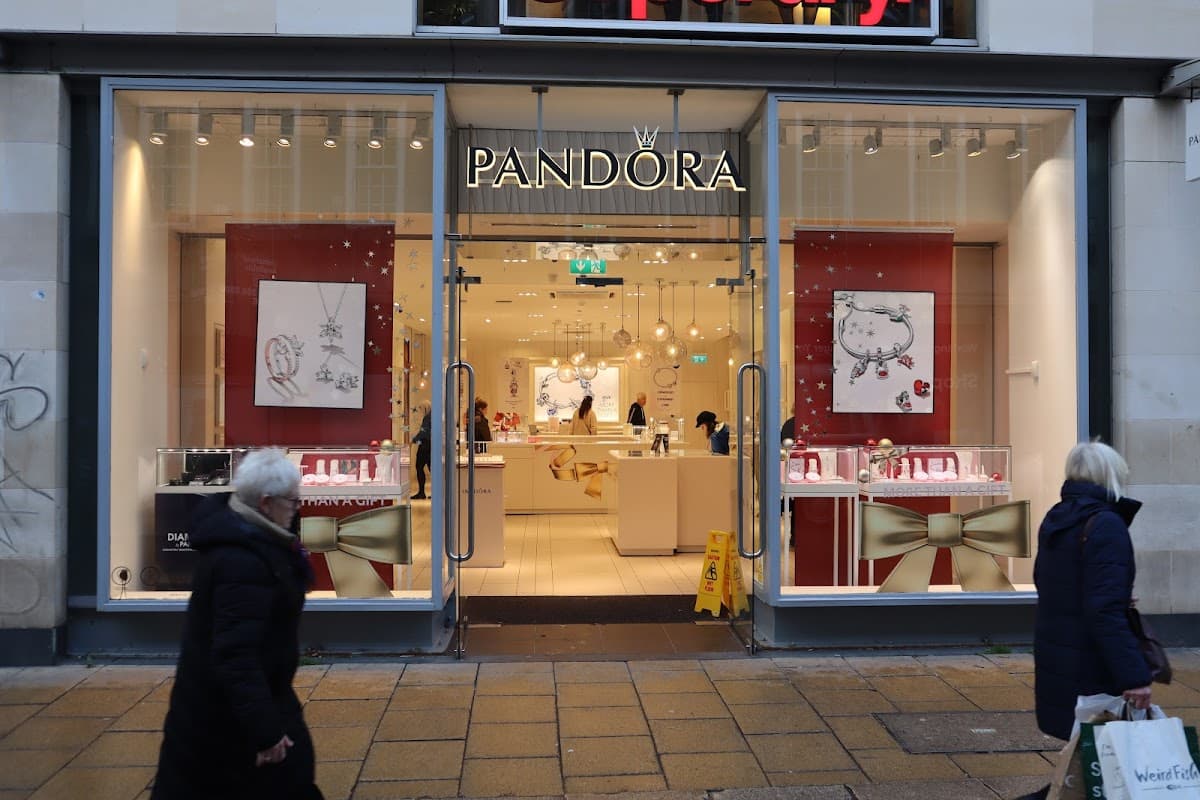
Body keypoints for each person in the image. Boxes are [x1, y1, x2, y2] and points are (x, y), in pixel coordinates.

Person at [152, 448, 323, 800]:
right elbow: (235, 654)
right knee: (284, 778)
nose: (297, 510)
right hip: (229, 718)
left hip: (231, 708)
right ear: (266, 503)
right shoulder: (242, 561)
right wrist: (265, 731)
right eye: (292, 502)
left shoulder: (249, 540)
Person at [1026, 441, 1152, 800]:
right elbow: (1104, 611)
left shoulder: (1059, 516)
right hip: (1091, 659)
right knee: (1101, 758)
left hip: (1062, 651)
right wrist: (1134, 676)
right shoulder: (1106, 523)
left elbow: (1053, 582)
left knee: (1090, 758)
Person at [411, 401, 432, 500]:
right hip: (431, 446)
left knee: (419, 467)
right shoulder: (433, 416)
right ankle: (437, 492)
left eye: (421, 409)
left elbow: (424, 432)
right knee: (432, 469)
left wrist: (414, 440)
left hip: (425, 446)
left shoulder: (427, 417)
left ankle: (421, 492)